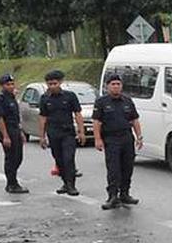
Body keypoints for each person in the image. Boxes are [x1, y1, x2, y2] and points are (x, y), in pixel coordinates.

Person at [92, 74, 144, 210]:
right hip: (111, 139)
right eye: (113, 84)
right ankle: (112, 196)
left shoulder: (127, 101)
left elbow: (134, 120)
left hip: (126, 138)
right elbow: (97, 122)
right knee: (114, 169)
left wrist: (139, 137)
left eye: (118, 84)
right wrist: (97, 139)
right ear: (107, 86)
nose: (116, 86)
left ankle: (125, 194)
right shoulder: (101, 102)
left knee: (128, 167)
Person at [37, 70, 85, 196]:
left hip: (68, 133)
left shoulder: (70, 96)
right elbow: (42, 118)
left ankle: (71, 185)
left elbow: (78, 114)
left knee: (68, 158)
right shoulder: (44, 98)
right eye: (49, 84)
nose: (52, 86)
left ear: (60, 82)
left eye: (54, 83)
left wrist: (81, 131)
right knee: (59, 160)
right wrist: (42, 136)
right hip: (53, 133)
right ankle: (65, 182)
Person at [0, 75, 28, 194]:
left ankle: (12, 181)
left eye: (12, 84)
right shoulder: (0, 99)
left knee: (18, 157)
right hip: (6, 130)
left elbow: (16, 117)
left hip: (15, 129)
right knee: (11, 158)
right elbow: (0, 119)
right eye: (8, 84)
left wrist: (21, 131)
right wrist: (5, 136)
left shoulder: (12, 97)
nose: (11, 86)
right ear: (2, 86)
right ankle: (11, 184)